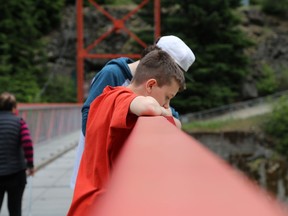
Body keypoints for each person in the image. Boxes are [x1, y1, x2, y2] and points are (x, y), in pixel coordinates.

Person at [67, 49, 186, 215]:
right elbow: (149, 107)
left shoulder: (111, 100)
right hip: (97, 204)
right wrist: (164, 111)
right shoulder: (116, 97)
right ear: (150, 85)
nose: (167, 105)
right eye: (167, 97)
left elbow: (176, 125)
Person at [0, 92, 35, 216]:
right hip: (16, 173)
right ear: (14, 107)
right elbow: (27, 143)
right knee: (15, 209)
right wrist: (30, 165)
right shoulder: (18, 121)